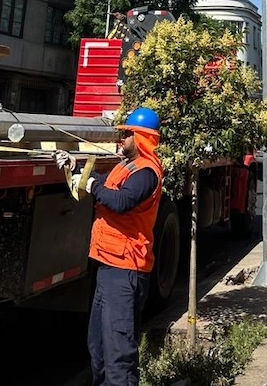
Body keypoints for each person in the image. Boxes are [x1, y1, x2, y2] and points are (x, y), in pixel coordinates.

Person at [71, 107, 164, 386]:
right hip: (109, 266)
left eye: (126, 134)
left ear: (141, 138)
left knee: (118, 356)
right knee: (98, 347)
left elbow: (121, 202)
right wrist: (75, 169)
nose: (121, 139)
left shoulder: (146, 172)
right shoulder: (127, 166)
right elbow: (106, 184)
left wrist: (92, 186)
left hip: (126, 270)